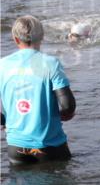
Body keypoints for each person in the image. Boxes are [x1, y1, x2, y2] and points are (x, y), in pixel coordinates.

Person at [0, 16, 76, 164]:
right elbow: (68, 106)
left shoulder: (2, 65)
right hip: (50, 146)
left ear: (15, 39)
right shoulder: (50, 64)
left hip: (16, 147)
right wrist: (66, 114)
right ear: (41, 36)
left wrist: (5, 120)